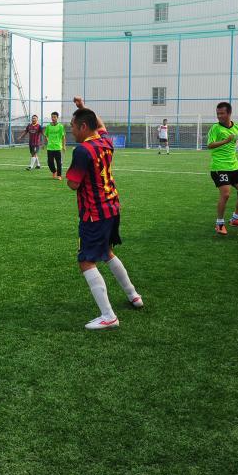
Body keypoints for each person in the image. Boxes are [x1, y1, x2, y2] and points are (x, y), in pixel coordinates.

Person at [68, 97, 144, 330]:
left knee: (86, 261)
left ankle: (108, 315)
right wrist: (83, 109)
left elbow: (72, 183)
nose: (70, 130)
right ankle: (133, 295)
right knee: (107, 252)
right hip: (112, 207)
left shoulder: (83, 150)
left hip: (94, 212)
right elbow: (98, 124)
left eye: (72, 125)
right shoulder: (105, 142)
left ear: (83, 127)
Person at [207, 102, 238, 235]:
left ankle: (236, 218)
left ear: (229, 113)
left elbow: (235, 142)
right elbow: (210, 145)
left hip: (234, 167)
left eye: (222, 113)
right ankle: (219, 223)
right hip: (219, 167)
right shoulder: (215, 128)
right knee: (225, 195)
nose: (219, 116)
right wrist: (225, 141)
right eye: (218, 113)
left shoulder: (236, 126)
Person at [44, 111, 66, 180]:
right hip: (50, 147)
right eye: (52, 117)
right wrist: (44, 143)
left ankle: (59, 175)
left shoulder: (60, 126)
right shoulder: (48, 126)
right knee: (49, 162)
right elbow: (45, 135)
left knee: (59, 162)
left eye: (54, 117)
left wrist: (64, 146)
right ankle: (54, 171)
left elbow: (63, 137)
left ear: (57, 118)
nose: (53, 118)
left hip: (58, 147)